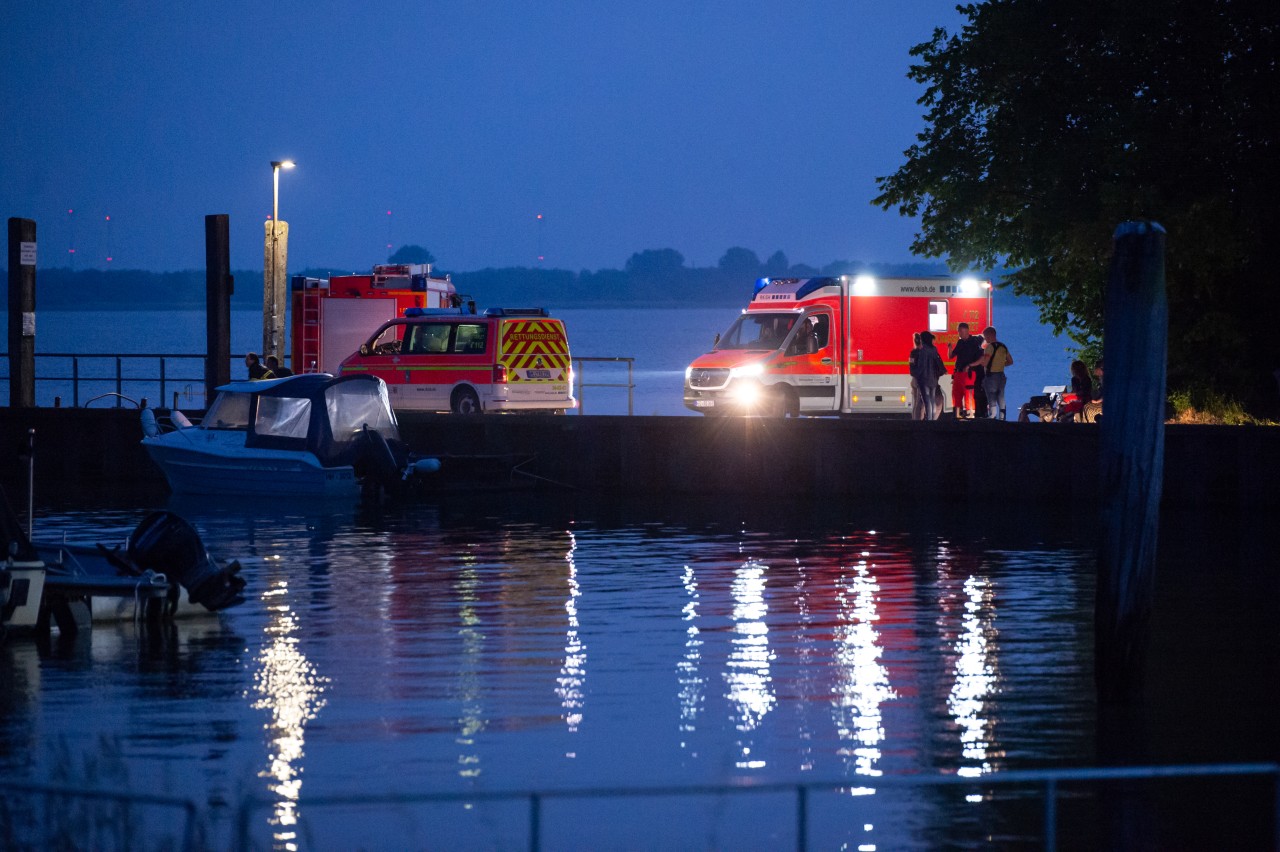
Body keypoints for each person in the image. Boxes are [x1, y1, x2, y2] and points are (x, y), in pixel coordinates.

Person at [947, 322, 983, 419]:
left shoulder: (974, 342)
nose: (959, 334)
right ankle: (957, 415)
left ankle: (970, 416)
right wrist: (950, 348)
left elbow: (981, 359)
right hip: (958, 373)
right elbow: (951, 356)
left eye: (960, 332)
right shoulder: (960, 342)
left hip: (969, 373)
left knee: (968, 395)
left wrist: (970, 365)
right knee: (956, 395)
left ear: (965, 331)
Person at [976, 326, 1012, 419]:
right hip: (1001, 375)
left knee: (991, 395)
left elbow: (985, 363)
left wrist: (978, 362)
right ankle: (1002, 416)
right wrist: (1000, 364)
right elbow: (1010, 361)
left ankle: (992, 414)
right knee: (1001, 395)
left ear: (990, 335)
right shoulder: (1003, 346)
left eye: (986, 336)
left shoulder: (989, 347)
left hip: (991, 375)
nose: (985, 339)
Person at [910, 331, 946, 421]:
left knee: (919, 403)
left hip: (920, 379)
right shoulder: (933, 350)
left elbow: (913, 367)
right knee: (930, 401)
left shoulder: (915, 352)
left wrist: (917, 375)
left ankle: (917, 422)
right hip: (931, 379)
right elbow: (939, 364)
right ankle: (930, 421)